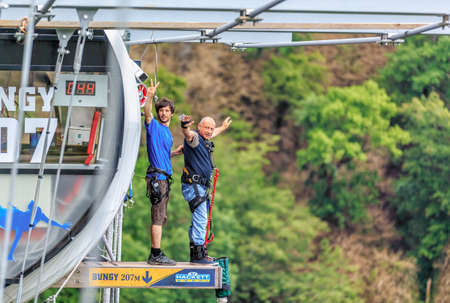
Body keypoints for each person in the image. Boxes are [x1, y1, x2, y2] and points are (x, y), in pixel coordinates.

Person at [180, 114, 232, 264]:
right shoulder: (195, 138)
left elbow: (212, 133)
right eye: (207, 128)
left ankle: (197, 251)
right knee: (201, 219)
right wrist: (185, 126)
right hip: (194, 186)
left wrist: (222, 127)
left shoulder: (205, 140)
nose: (210, 131)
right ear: (199, 127)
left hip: (200, 187)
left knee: (199, 219)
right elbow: (188, 134)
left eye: (211, 128)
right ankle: (198, 255)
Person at [144, 80, 183, 265]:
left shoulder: (167, 134)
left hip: (164, 179)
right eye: (161, 110)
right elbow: (148, 114)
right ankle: (155, 254)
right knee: (157, 216)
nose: (163, 113)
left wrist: (176, 153)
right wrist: (149, 96)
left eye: (167, 110)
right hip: (157, 178)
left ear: (171, 113)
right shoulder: (154, 127)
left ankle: (157, 252)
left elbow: (164, 154)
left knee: (162, 216)